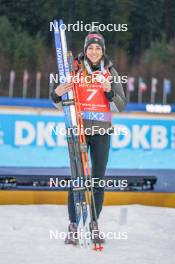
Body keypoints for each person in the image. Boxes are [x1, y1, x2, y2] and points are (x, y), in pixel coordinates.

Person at [51, 31, 127, 245]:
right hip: (79, 130)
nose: (94, 51)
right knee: (77, 179)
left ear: (103, 51)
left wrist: (110, 91)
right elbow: (57, 100)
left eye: (98, 48)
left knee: (98, 180)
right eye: (90, 48)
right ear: (85, 50)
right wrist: (57, 93)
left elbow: (121, 105)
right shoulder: (73, 69)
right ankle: (73, 226)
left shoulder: (110, 71)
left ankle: (94, 223)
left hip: (102, 132)